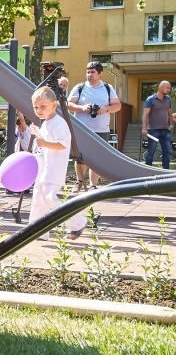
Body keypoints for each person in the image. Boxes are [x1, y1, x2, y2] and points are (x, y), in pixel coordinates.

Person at [27, 86, 87, 241]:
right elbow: (45, 142)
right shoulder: (46, 123)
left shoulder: (59, 123)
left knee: (48, 198)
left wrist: (44, 142)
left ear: (54, 105)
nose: (39, 110)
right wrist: (37, 133)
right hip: (43, 170)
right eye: (36, 107)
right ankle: (37, 232)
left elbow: (62, 145)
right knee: (38, 201)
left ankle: (78, 222)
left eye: (43, 106)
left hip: (53, 169)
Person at [67, 61, 121, 189]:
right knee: (79, 157)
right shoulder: (79, 87)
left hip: (101, 129)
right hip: (82, 129)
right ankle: (80, 182)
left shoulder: (108, 88)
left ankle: (93, 185)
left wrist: (106, 109)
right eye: (88, 72)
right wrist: (82, 108)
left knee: (97, 158)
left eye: (92, 72)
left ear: (100, 73)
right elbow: (68, 105)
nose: (89, 75)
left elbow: (117, 106)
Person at [142, 80, 173, 169]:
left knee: (167, 152)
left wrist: (171, 125)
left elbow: (170, 113)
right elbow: (145, 115)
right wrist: (144, 128)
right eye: (167, 88)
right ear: (161, 88)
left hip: (165, 130)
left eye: (170, 88)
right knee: (151, 152)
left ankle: (166, 172)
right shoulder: (151, 99)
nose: (169, 90)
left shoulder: (168, 99)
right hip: (153, 130)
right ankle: (148, 171)